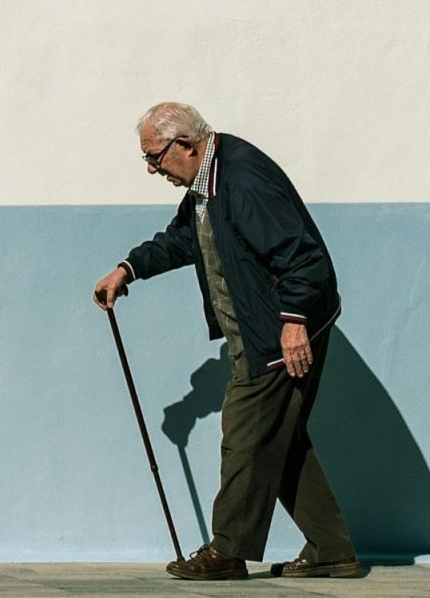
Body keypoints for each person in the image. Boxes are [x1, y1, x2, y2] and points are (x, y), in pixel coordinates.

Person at [93, 102, 359, 581]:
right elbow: (183, 239)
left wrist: (293, 322)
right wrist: (128, 268)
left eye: (154, 157)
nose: (153, 170)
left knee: (245, 435)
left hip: (280, 335)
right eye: (147, 160)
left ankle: (228, 551)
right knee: (279, 441)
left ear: (186, 146)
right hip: (262, 332)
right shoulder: (205, 183)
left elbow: (303, 256)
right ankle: (331, 548)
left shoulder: (242, 180)